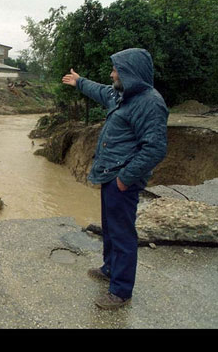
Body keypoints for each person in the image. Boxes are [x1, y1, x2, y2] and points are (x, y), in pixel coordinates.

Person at [62, 48, 169, 310]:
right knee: (110, 227)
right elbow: (101, 91)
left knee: (122, 234)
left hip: (122, 178)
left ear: (131, 73)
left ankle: (120, 291)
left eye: (116, 70)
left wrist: (125, 179)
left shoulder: (150, 103)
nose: (112, 74)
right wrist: (80, 82)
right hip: (110, 174)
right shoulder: (122, 95)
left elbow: (155, 148)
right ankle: (110, 268)